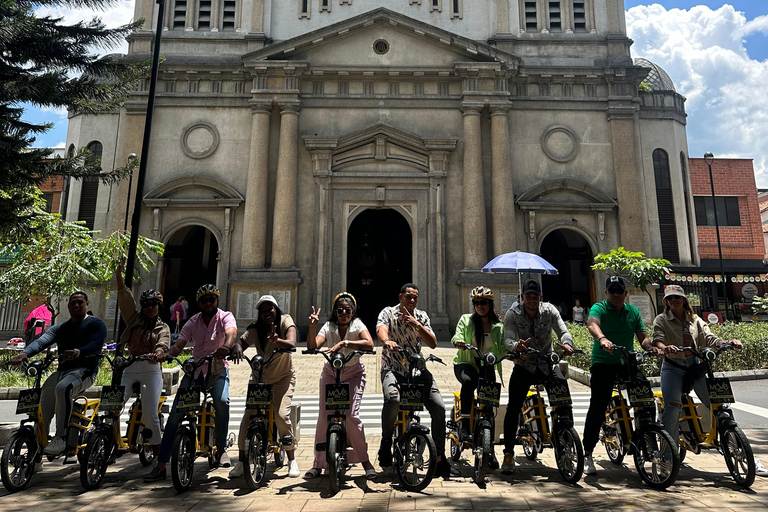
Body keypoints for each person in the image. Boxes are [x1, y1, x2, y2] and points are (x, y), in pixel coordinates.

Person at [144, 284, 237, 482]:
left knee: (221, 401)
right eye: (204, 300)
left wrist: (226, 348)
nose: (208, 303)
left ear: (217, 301)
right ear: (199, 303)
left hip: (217, 368)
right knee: (176, 414)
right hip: (195, 371)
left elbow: (231, 333)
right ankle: (160, 465)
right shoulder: (193, 321)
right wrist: (165, 354)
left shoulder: (225, 316)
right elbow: (179, 344)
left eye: (212, 299)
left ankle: (221, 449)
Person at [646, 284, 742, 453]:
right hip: (673, 367)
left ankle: (734, 444)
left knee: (717, 404)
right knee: (673, 408)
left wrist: (726, 343)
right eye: (670, 298)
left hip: (695, 367)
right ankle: (669, 457)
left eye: (677, 297)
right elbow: (657, 339)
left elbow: (710, 338)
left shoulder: (696, 320)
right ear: (666, 302)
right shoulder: (661, 319)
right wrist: (665, 347)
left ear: (684, 300)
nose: (674, 300)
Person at [376, 283, 459, 479]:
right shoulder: (388, 313)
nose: (412, 301)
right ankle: (386, 441)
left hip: (417, 369)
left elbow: (432, 343)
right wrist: (386, 341)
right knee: (393, 400)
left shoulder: (421, 316)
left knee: (438, 407)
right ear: (400, 297)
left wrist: (416, 324)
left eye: (415, 298)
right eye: (408, 297)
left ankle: (439, 457)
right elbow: (381, 329)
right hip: (392, 368)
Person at [11, 292, 107, 456]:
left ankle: (60, 438)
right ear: (68, 306)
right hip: (63, 371)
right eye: (73, 303)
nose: (76, 306)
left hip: (85, 371)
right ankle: (36, 451)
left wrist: (78, 352)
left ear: (87, 304)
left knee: (63, 388)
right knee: (45, 395)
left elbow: (95, 344)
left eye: (80, 303)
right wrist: (25, 353)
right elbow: (42, 341)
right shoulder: (60, 328)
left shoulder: (96, 324)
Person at [501, 279, 574, 474]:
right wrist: (515, 346)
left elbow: (563, 330)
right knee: (513, 408)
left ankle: (566, 444)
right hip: (525, 364)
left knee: (564, 402)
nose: (531, 300)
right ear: (522, 297)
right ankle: (508, 453)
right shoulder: (513, 314)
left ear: (540, 298)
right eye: (528, 296)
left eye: (535, 297)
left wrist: (567, 344)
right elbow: (507, 337)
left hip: (547, 364)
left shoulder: (550, 311)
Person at [304, 292, 376, 480]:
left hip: (353, 373)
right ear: (335, 312)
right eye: (340, 310)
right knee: (324, 415)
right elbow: (313, 346)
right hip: (331, 373)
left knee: (351, 416)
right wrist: (312, 328)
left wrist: (344, 343)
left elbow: (369, 343)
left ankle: (365, 461)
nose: (344, 313)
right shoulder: (328, 326)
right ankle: (318, 464)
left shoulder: (357, 324)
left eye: (348, 310)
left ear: (353, 312)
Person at [581, 276, 649, 476]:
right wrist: (602, 338)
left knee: (645, 399)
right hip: (603, 362)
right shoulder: (599, 308)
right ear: (606, 293)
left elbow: (642, 336)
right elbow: (592, 323)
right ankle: (587, 453)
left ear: (625, 293)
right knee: (598, 405)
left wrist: (650, 347)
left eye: (620, 291)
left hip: (626, 361)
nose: (617, 294)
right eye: (613, 291)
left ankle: (644, 438)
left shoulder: (633, 311)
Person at [229, 294, 301, 479]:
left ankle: (292, 459)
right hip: (260, 378)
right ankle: (241, 460)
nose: (267, 313)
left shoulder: (285, 321)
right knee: (249, 415)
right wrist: (237, 347)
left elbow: (292, 342)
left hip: (283, 377)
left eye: (270, 309)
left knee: (281, 414)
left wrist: (278, 341)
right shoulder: (255, 329)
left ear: (276, 310)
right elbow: (242, 342)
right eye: (263, 311)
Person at [114, 258, 170, 458]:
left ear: (159, 305)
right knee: (113, 406)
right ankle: (109, 443)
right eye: (146, 304)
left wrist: (159, 354)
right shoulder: (134, 319)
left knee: (149, 414)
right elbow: (124, 297)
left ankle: (158, 457)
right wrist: (119, 273)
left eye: (153, 304)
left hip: (150, 371)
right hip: (130, 368)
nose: (149, 307)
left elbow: (164, 343)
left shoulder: (163, 327)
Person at [451, 286, 506, 464]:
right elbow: (457, 335)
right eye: (476, 303)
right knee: (469, 382)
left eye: (483, 303)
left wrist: (516, 351)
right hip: (465, 362)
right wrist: (458, 341)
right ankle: (465, 424)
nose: (480, 306)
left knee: (489, 401)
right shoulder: (466, 320)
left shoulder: (498, 326)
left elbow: (505, 345)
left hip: (487, 364)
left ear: (490, 304)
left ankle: (489, 449)